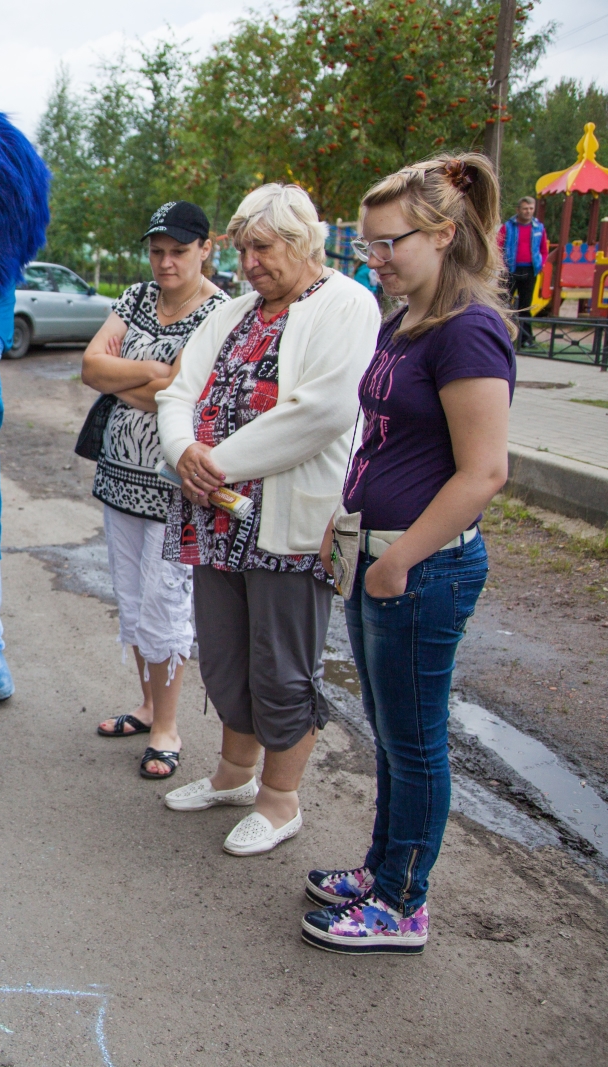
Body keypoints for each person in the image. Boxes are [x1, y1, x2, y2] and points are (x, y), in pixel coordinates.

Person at [302, 155, 515, 956]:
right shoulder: (407, 322)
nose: (374, 258)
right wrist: (344, 522)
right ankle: (383, 868)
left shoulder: (470, 332)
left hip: (420, 567)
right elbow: (384, 438)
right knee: (391, 733)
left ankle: (402, 903)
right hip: (377, 552)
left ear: (444, 234)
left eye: (389, 244)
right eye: (367, 243)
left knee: (417, 738)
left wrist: (399, 561)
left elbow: (485, 470)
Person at [155, 182, 377, 857]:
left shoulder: (346, 304)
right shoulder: (234, 313)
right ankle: (234, 775)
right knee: (225, 657)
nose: (249, 261)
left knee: (281, 667)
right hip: (217, 516)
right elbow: (178, 390)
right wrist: (183, 451)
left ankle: (280, 802)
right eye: (243, 247)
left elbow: (324, 411)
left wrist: (209, 459)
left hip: (286, 520)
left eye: (263, 247)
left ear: (303, 240)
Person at [80, 201, 226, 780]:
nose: (166, 262)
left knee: (167, 605)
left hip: (173, 486)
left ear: (205, 248)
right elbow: (92, 368)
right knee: (133, 600)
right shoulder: (137, 298)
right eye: (158, 250)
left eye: (179, 251)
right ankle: (146, 706)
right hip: (120, 477)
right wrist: (156, 378)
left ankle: (167, 727)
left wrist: (131, 377)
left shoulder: (218, 311)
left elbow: (190, 394)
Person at [501, 195, 548, 349]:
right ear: (518, 210)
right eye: (525, 208)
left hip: (530, 269)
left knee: (526, 305)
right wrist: (501, 264)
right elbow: (497, 245)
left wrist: (541, 264)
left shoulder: (538, 228)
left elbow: (544, 249)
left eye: (531, 209)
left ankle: (526, 338)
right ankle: (503, 336)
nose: (528, 212)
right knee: (504, 304)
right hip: (511, 269)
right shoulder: (508, 227)